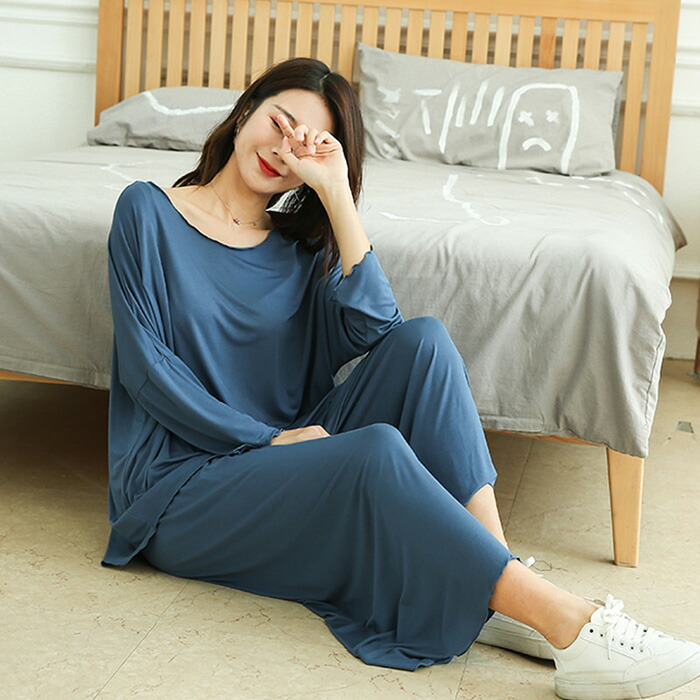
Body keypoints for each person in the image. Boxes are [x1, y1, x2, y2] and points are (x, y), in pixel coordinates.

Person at [101, 56, 700, 698]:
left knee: (425, 342)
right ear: (246, 111)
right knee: (375, 451)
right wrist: (269, 439)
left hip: (288, 464)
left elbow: (380, 328)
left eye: (308, 142)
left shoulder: (297, 246)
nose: (283, 148)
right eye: (279, 121)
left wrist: (335, 193)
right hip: (184, 489)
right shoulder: (148, 211)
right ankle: (570, 624)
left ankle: (495, 573)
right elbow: (149, 371)